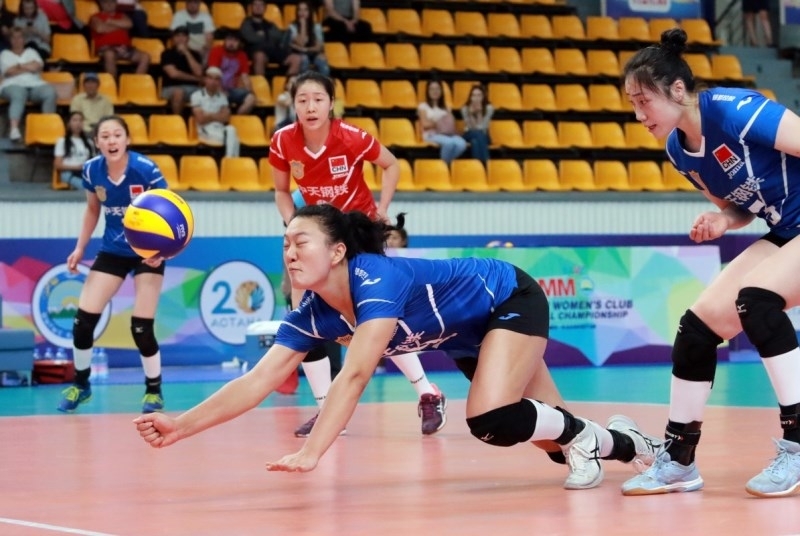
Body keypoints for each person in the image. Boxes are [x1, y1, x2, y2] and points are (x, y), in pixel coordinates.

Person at [134, 204, 663, 489]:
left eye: (301, 242)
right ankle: (630, 442)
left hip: (507, 297)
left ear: (337, 252)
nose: (289, 253)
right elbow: (258, 379)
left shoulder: (374, 279)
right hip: (466, 334)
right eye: (285, 244)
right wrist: (181, 425)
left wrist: (313, 452)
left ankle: (595, 437)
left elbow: (356, 374)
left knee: (490, 419)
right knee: (556, 440)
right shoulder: (315, 310)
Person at [620, 28, 800, 498]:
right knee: (697, 328)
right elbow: (739, 208)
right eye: (632, 105)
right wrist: (723, 220)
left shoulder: (735, 110)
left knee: (757, 300)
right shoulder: (679, 150)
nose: (638, 115)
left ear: (677, 89)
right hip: (786, 230)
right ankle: (678, 461)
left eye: (644, 101)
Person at [269, 71, 449, 438]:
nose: (310, 107)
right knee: (304, 320)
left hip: (359, 235)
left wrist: (382, 209)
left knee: (378, 320)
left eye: (318, 99)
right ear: (294, 105)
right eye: (302, 100)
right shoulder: (283, 141)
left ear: (331, 104)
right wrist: (295, 226)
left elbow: (391, 163)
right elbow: (281, 191)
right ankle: (327, 411)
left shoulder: (351, 137)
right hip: (317, 240)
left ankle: (428, 393)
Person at [57, 115, 168, 414]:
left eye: (117, 135)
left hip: (147, 252)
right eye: (104, 136)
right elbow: (93, 209)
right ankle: (81, 385)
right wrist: (80, 248)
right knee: (82, 322)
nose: (111, 141)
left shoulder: (146, 169)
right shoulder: (92, 170)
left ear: (127, 140)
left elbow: (170, 212)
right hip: (113, 250)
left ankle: (153, 390)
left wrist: (162, 252)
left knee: (141, 327)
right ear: (97, 143)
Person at [0, 27, 56, 142]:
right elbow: (9, 71)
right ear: (10, 40)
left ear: (24, 39)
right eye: (14, 38)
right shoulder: (4, 54)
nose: (17, 40)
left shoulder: (31, 52)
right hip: (12, 85)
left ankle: (46, 126)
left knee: (50, 92)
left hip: (35, 84)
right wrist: (28, 66)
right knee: (19, 94)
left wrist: (19, 66)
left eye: (19, 37)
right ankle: (14, 129)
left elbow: (38, 66)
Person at [89, 0, 150, 79]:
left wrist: (110, 22)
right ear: (101, 4)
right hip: (106, 47)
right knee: (109, 54)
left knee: (145, 57)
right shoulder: (95, 17)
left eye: (112, 2)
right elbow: (100, 29)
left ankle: (136, 81)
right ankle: (113, 82)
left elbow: (129, 24)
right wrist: (120, 26)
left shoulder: (122, 15)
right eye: (106, 2)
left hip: (124, 48)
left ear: (115, 4)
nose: (109, 4)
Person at [239, 0, 300, 78]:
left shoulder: (270, 24)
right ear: (251, 7)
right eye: (255, 4)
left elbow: (279, 37)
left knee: (297, 59)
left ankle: (288, 83)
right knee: (260, 56)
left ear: (265, 8)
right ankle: (261, 83)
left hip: (273, 50)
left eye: (261, 5)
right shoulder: (247, 23)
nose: (258, 7)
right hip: (257, 51)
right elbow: (251, 38)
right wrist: (268, 37)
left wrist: (263, 35)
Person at [190, 66, 240, 158]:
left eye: (217, 79)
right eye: (210, 78)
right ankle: (231, 160)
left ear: (219, 82)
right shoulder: (196, 96)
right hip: (205, 129)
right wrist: (218, 115)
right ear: (205, 79)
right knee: (234, 140)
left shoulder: (222, 97)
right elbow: (201, 119)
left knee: (231, 129)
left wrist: (208, 115)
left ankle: (229, 159)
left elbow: (225, 118)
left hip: (219, 129)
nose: (213, 82)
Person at [206, 28, 256, 115]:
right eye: (229, 40)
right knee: (220, 97)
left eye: (235, 41)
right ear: (225, 41)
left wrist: (251, 92)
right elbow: (213, 74)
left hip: (232, 90)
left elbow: (245, 77)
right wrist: (220, 91)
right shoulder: (216, 51)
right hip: (216, 89)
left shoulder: (242, 55)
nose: (231, 43)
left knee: (251, 99)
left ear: (239, 43)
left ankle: (236, 118)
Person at [418, 79, 467, 165]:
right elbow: (425, 124)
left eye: (437, 89)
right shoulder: (423, 106)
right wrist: (438, 122)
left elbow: (450, 124)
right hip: (431, 134)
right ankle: (444, 166)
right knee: (449, 143)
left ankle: (445, 163)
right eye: (432, 89)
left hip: (447, 134)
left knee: (462, 144)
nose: (435, 91)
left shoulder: (446, 108)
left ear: (441, 91)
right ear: (428, 91)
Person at [160, 25, 203, 115]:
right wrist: (196, 79)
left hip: (193, 88)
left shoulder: (195, 54)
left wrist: (186, 53)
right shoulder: (167, 54)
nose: (180, 38)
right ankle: (178, 120)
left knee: (209, 92)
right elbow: (173, 74)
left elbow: (199, 72)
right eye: (177, 36)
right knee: (179, 92)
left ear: (188, 39)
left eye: (183, 36)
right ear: (173, 39)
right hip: (170, 88)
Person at [54, 111, 95, 189]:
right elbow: (57, 164)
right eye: (75, 120)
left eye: (80, 120)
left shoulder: (89, 143)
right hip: (69, 172)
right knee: (87, 188)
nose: (78, 123)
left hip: (84, 173)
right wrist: (77, 167)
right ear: (69, 124)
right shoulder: (62, 141)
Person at [288, 1, 330, 77]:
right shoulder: (293, 27)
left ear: (310, 12)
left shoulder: (317, 27)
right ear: (297, 12)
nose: (302, 12)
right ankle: (305, 83)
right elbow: (301, 43)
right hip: (298, 54)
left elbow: (318, 47)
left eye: (305, 10)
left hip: (313, 54)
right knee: (304, 59)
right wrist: (303, 25)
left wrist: (305, 50)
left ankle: (323, 83)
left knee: (323, 62)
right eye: (300, 10)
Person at [460, 83, 493, 166]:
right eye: (474, 95)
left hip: (484, 135)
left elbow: (482, 127)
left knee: (475, 142)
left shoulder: (489, 108)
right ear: (470, 97)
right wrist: (471, 114)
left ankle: (478, 167)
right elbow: (471, 128)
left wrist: (479, 113)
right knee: (477, 135)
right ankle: (487, 165)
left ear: (483, 97)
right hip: (468, 134)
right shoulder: (464, 109)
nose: (476, 98)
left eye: (479, 95)